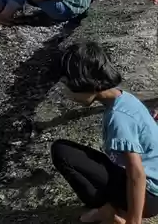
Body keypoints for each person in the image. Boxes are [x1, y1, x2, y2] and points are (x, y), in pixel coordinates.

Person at [52, 41, 158, 223]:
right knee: (65, 150)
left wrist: (134, 221)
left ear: (85, 82)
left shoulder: (118, 117)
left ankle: (110, 211)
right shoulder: (123, 98)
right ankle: (108, 209)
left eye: (67, 85)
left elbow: (137, 174)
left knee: (62, 152)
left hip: (150, 196)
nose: (67, 93)